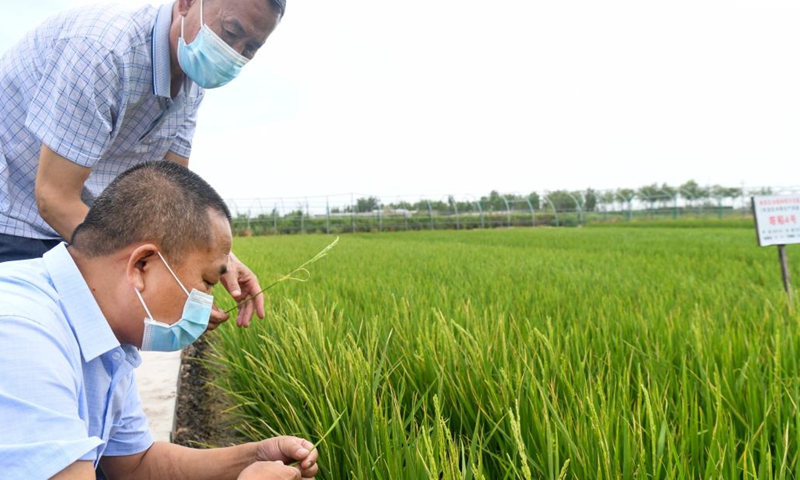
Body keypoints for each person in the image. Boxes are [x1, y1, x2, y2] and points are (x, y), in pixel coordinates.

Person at [0, 162, 319, 480]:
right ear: (141, 265)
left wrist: (253, 456)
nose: (208, 303)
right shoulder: (21, 334)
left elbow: (138, 464)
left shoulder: (106, 335)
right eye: (208, 281)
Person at [0, 0, 283, 327]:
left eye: (251, 48)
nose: (234, 52)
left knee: (101, 347)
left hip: (81, 221)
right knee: (36, 348)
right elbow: (54, 198)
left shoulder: (191, 79)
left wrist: (220, 259)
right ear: (187, 4)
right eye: (231, 32)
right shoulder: (103, 52)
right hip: (15, 216)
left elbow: (173, 195)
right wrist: (168, 280)